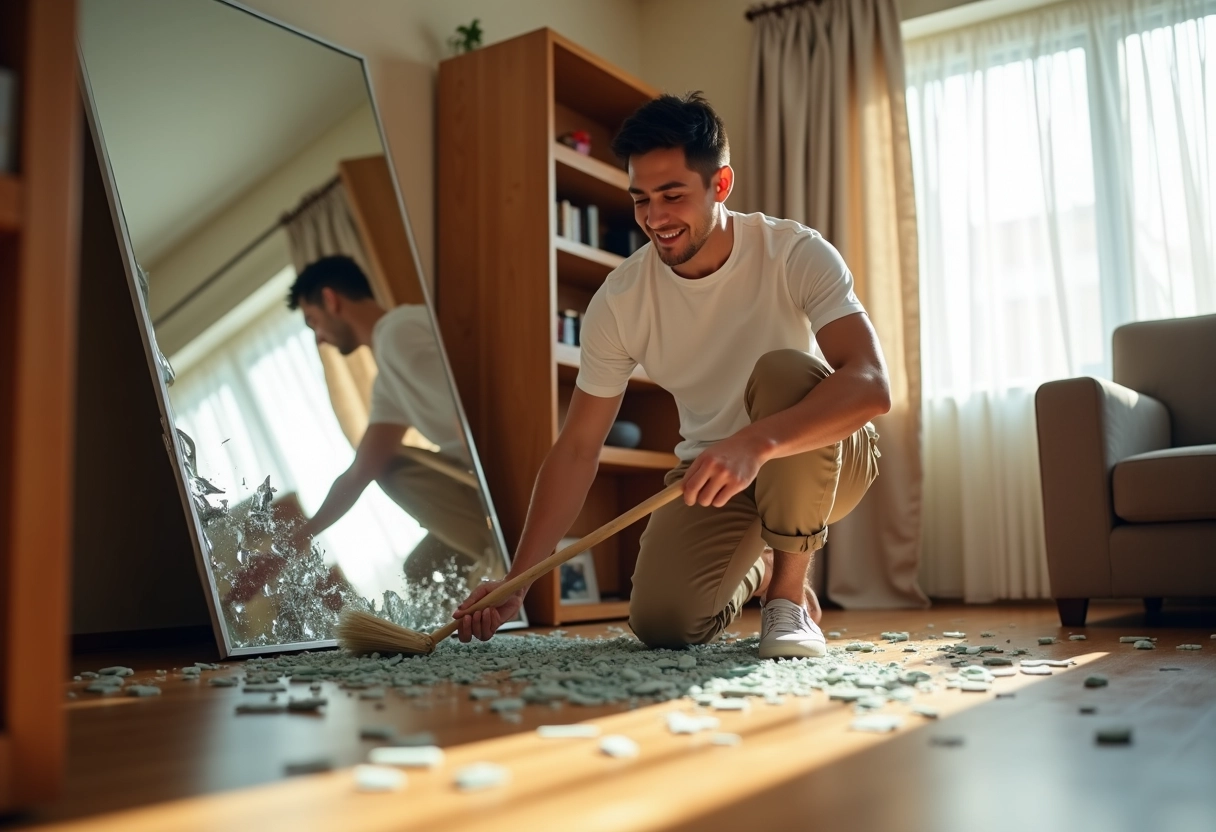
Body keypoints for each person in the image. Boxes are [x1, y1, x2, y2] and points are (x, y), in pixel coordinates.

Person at [454, 92, 890, 659]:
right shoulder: (620, 301)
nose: (655, 218)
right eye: (641, 199)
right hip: (713, 474)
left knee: (782, 372)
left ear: (721, 186)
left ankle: (787, 594)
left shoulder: (795, 253)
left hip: (823, 456)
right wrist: (521, 581)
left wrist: (755, 442)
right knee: (662, 621)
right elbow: (578, 448)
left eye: (673, 195)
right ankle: (759, 571)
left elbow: (871, 383)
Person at [286, 255, 498, 586]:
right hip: (479, 487)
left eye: (314, 321)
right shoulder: (387, 379)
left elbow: (469, 412)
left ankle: (503, 554)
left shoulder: (399, 334)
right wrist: (301, 537)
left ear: (330, 299)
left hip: (499, 486)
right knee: (420, 570)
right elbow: (360, 471)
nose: (320, 338)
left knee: (393, 466)